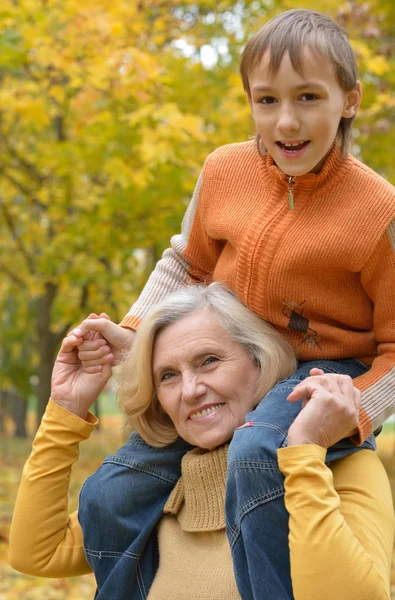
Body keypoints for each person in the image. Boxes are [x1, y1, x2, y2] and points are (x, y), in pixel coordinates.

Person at [71, 8, 395, 599]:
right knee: (106, 495)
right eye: (266, 100)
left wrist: (353, 411)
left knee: (253, 453)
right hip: (233, 356)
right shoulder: (224, 170)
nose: (287, 120)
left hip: (322, 375)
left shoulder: (379, 211)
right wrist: (138, 329)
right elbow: (185, 265)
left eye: (308, 97)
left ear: (349, 100)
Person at [9, 284, 394, 600]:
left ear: (259, 360)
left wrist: (305, 454)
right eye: (168, 376)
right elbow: (37, 553)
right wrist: (67, 408)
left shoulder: (338, 467)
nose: (190, 390)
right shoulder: (155, 486)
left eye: (209, 360)